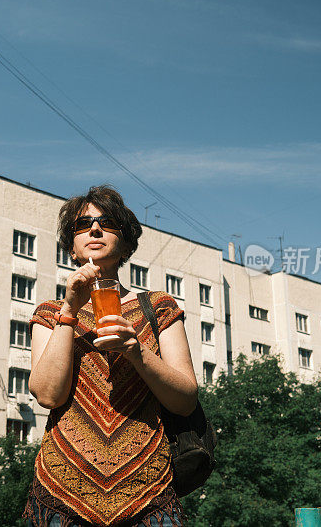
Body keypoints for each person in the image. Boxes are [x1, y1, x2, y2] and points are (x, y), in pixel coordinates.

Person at [23, 185, 198, 527]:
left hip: (147, 494)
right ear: (71, 249)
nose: (94, 229)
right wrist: (70, 308)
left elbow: (185, 400)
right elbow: (47, 394)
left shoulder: (158, 307)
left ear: (126, 245)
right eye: (83, 224)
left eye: (107, 222)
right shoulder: (50, 312)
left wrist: (136, 352)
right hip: (62, 497)